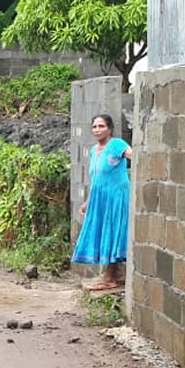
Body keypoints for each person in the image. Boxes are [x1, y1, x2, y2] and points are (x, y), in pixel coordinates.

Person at [72, 113, 134, 291]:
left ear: (110, 128)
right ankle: (117, 274)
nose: (97, 130)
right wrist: (87, 202)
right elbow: (96, 180)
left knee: (112, 232)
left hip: (116, 196)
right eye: (94, 127)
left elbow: (133, 155)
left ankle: (109, 278)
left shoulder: (117, 145)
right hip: (100, 198)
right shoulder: (93, 150)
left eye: (101, 126)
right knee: (102, 232)